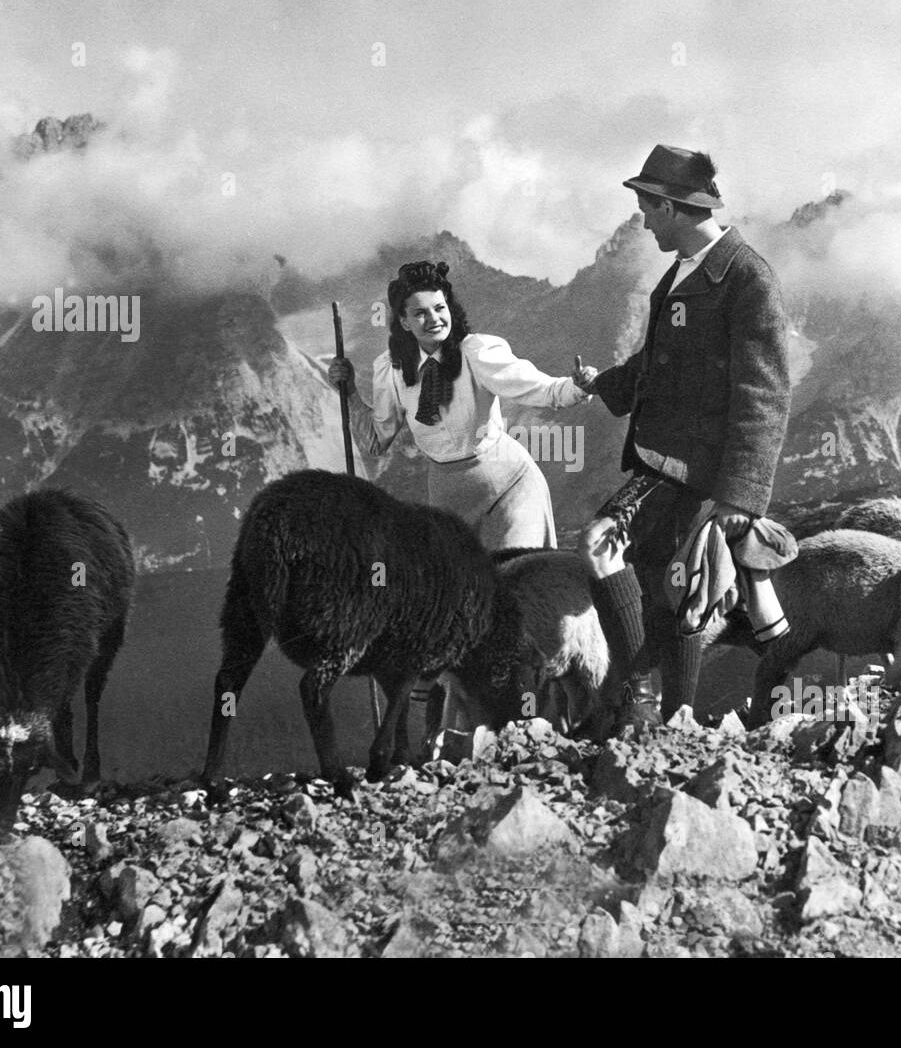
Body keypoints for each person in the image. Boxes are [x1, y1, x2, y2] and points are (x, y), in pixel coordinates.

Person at [575, 145, 791, 733]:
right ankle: (669, 715)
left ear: (673, 208)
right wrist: (609, 385)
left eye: (648, 207)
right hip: (661, 464)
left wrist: (741, 498)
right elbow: (661, 360)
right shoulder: (687, 272)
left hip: (701, 474)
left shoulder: (746, 278)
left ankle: (643, 703)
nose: (643, 221)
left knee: (629, 560)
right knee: (665, 589)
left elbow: (763, 394)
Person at [328, 259, 594, 550]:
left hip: (510, 486)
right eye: (420, 313)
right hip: (448, 501)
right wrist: (351, 391)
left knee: (513, 579)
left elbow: (537, 388)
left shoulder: (477, 353)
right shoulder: (392, 370)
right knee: (462, 589)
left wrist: (576, 387)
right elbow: (376, 441)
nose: (433, 319)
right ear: (404, 321)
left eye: (439, 308)